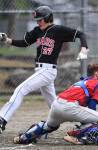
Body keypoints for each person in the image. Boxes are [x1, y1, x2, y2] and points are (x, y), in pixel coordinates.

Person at [0, 5, 89, 133]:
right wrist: (6, 40)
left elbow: (81, 34)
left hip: (47, 70)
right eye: (37, 20)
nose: (38, 22)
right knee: (56, 106)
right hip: (40, 71)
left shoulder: (58, 30)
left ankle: (2, 119)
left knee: (20, 90)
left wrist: (84, 48)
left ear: (48, 18)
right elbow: (24, 42)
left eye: (40, 19)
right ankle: (84, 120)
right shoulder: (37, 31)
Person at [13, 64, 98, 145]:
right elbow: (92, 106)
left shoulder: (83, 81)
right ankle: (77, 136)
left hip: (56, 103)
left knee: (48, 126)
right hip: (69, 107)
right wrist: (91, 121)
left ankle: (23, 138)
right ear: (96, 74)